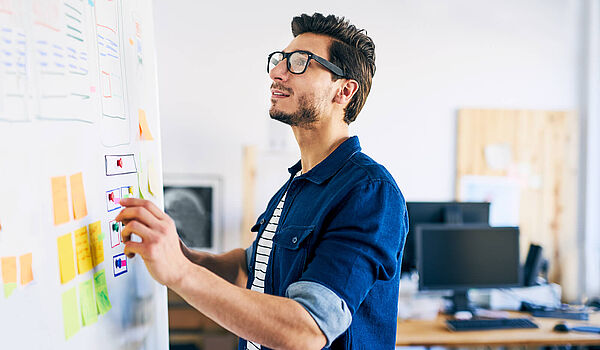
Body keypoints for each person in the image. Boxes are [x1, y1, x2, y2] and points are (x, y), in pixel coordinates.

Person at [117, 12, 408, 350]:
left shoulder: (369, 193)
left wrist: (180, 273)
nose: (276, 72)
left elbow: (308, 330)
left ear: (343, 90)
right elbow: (248, 269)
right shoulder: (297, 184)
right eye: (280, 60)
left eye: (300, 62)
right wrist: (184, 255)